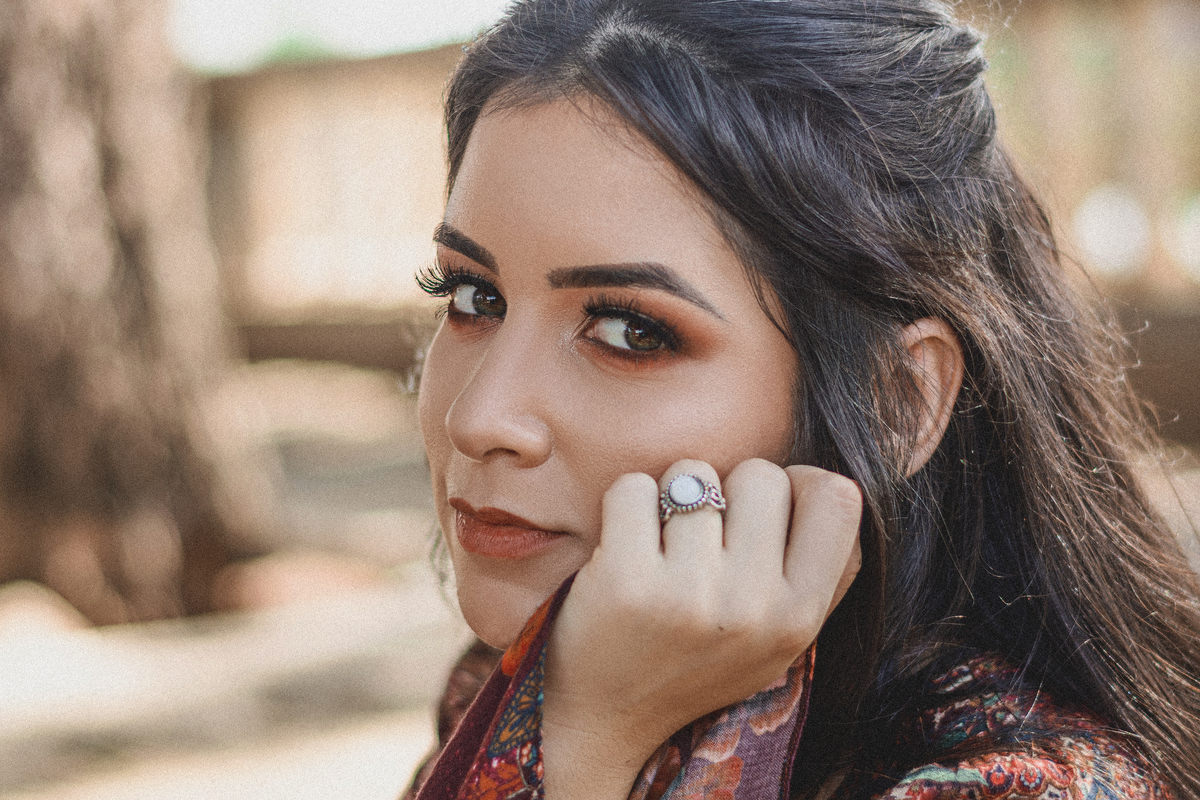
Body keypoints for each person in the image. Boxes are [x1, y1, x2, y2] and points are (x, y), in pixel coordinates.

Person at [406, 1, 1200, 798]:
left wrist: (581, 740)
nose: (477, 419)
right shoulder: (531, 669)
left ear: (898, 401)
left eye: (631, 331)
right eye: (473, 298)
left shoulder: (1024, 786)